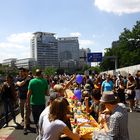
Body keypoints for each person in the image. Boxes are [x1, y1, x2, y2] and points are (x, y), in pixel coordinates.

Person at [26, 69, 49, 134]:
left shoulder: (31, 81)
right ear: (41, 74)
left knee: (35, 116)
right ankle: (41, 128)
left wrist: (27, 102)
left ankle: (37, 127)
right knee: (41, 116)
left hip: (33, 102)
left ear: (35, 74)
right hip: (42, 102)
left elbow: (29, 93)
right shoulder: (44, 81)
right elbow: (47, 93)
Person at [16, 67, 31, 134]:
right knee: (22, 113)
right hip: (20, 98)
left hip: (27, 98)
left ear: (25, 72)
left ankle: (25, 127)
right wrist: (25, 80)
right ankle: (27, 121)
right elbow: (19, 84)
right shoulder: (18, 79)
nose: (20, 72)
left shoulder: (30, 79)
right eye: (20, 71)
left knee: (25, 113)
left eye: (22, 71)